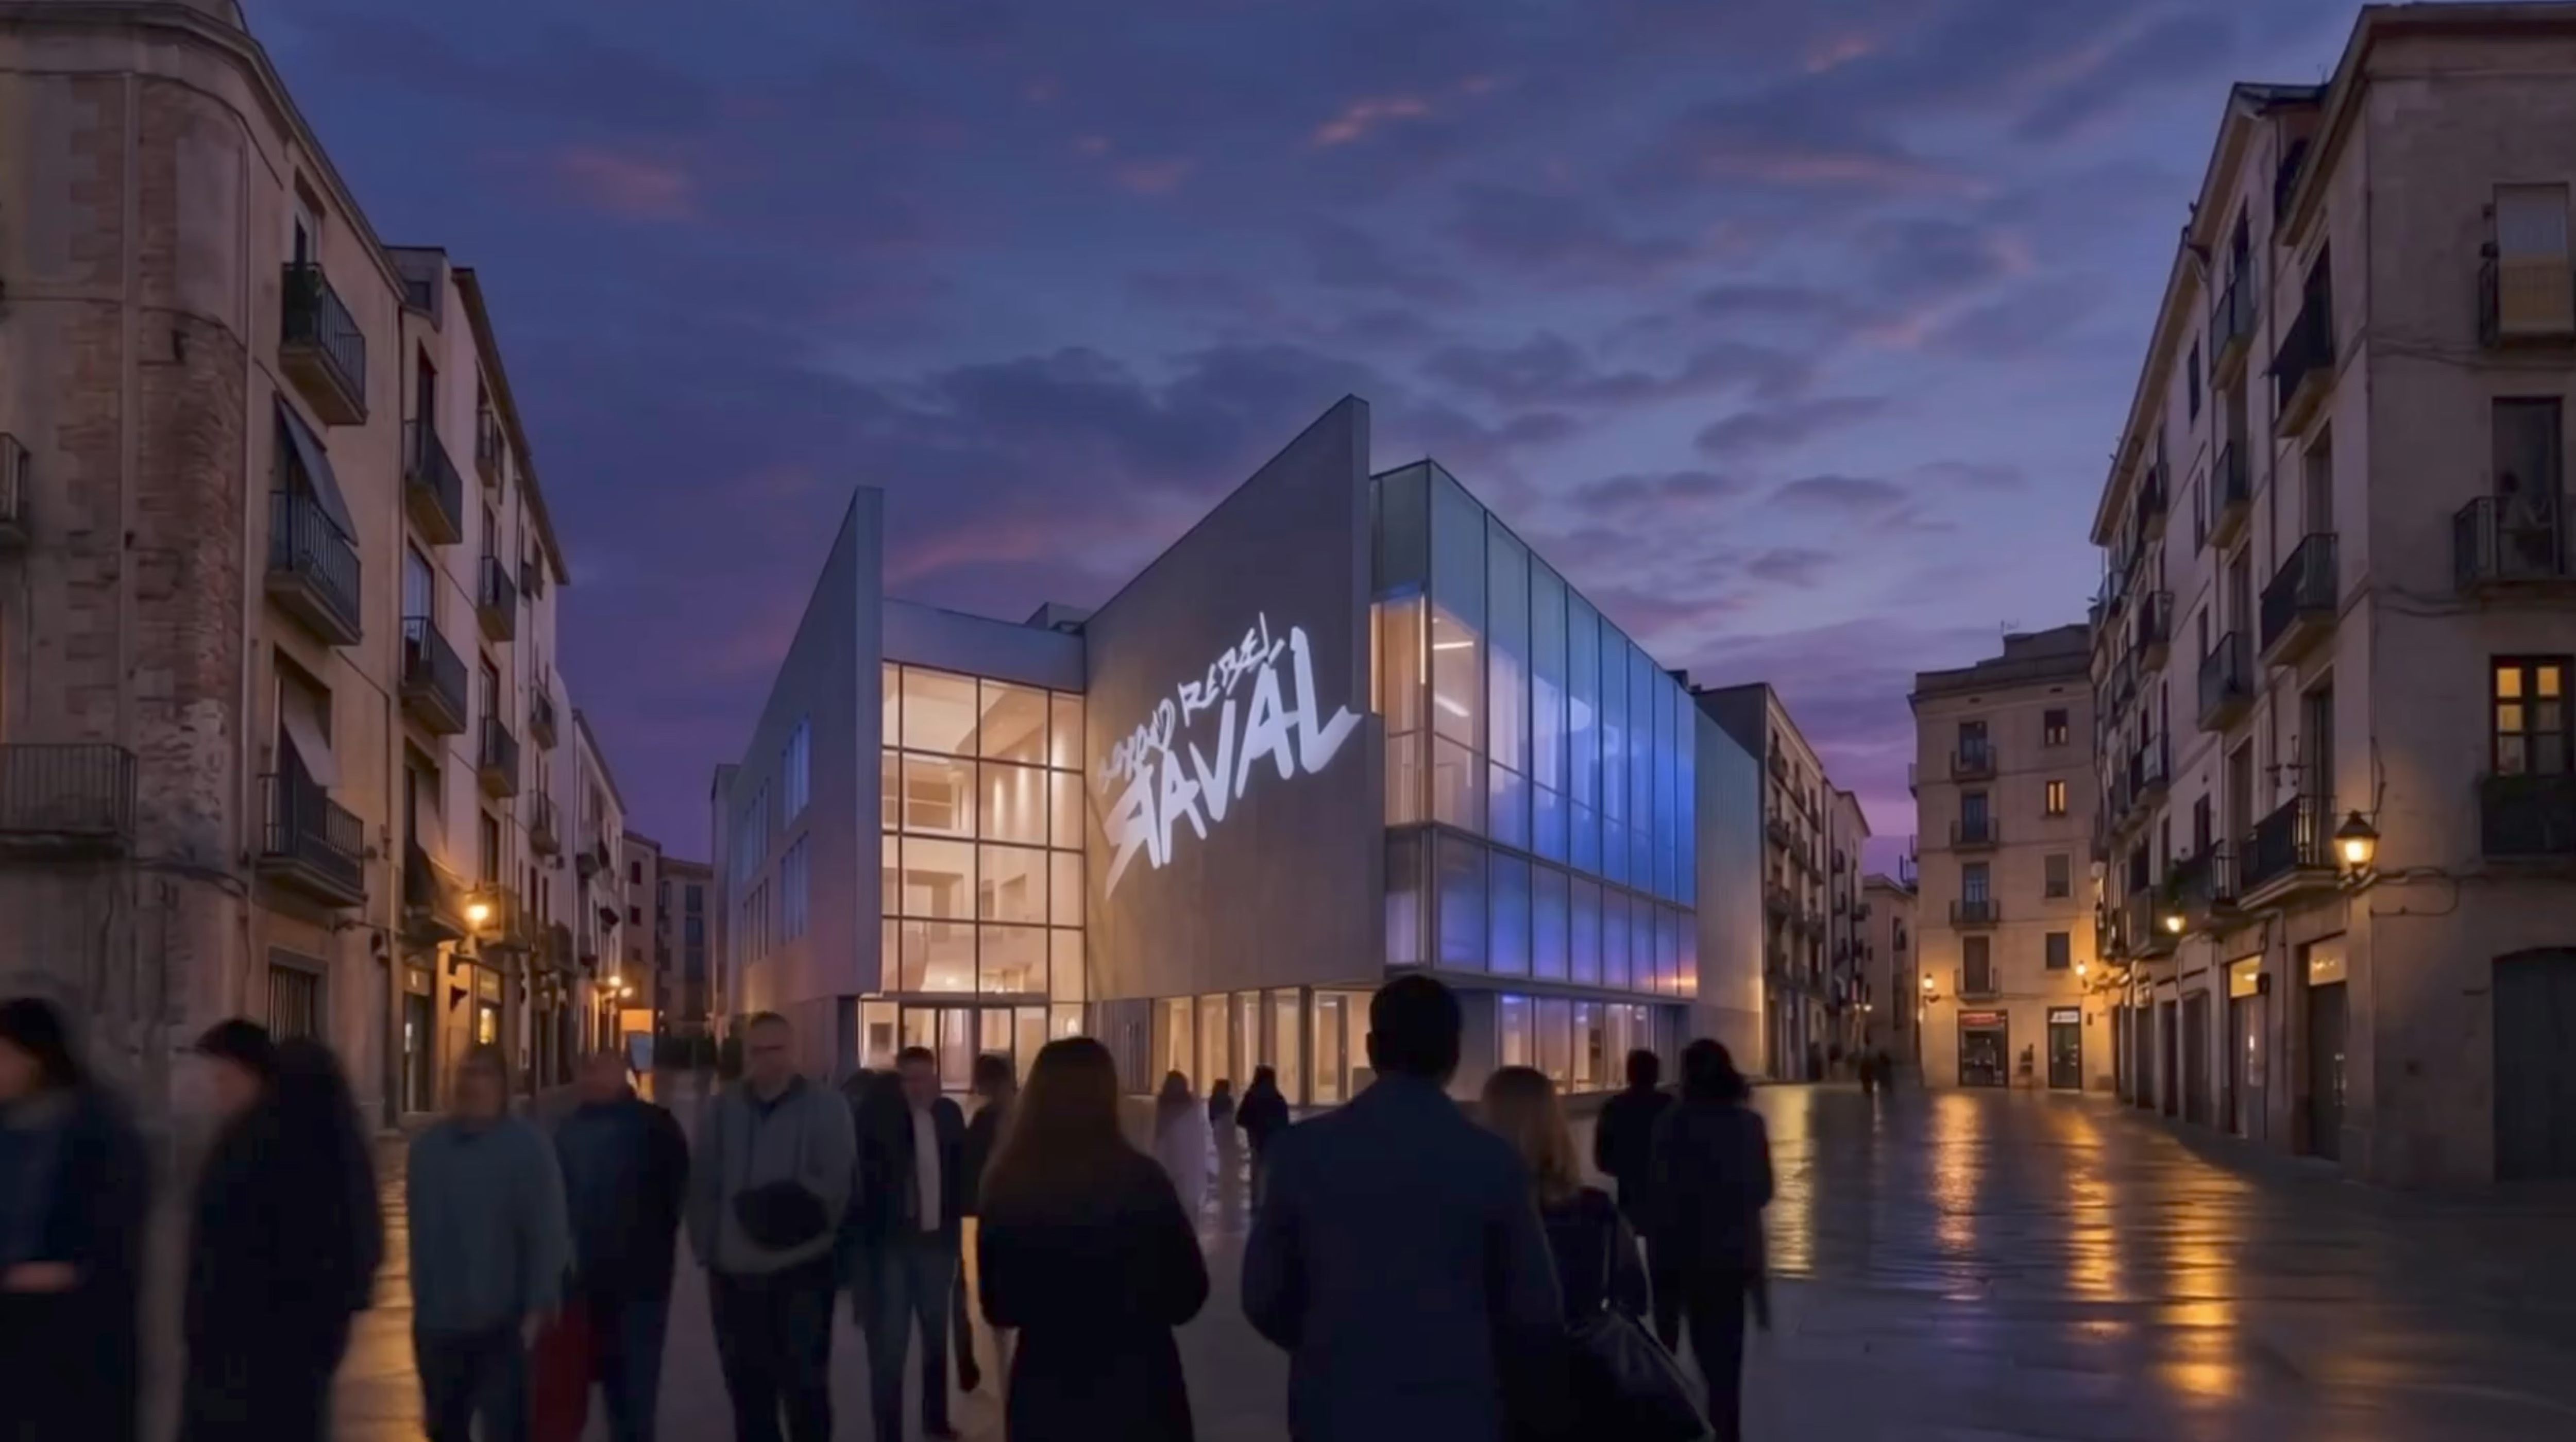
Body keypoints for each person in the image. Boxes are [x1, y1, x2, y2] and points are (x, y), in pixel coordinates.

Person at [1243, 976, 1565, 1442]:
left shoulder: (1299, 1154)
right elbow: (1535, 1310)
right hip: (1459, 1410)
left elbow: (1263, 1295)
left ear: (1372, 1050)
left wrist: (1326, 1343)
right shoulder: (1494, 1163)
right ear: (1454, 1055)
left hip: (1335, 1406)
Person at [978, 1037, 1208, 1442]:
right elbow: (1188, 1293)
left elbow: (1000, 1305)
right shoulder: (1144, 1180)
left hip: (1048, 1393)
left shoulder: (1009, 1185)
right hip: (1140, 1388)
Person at [180, 1027, 382, 1442]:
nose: (217, 1090)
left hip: (254, 1359)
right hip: (286, 1358)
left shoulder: (264, 1148)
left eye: (225, 1077)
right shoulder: (333, 1149)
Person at [687, 1012, 856, 1442]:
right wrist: (707, 1246)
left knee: (805, 1388)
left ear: (793, 1050)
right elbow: (703, 1178)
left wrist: (781, 1218)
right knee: (748, 1393)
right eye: (758, 1051)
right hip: (733, 1275)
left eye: (776, 1049)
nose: (767, 1060)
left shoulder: (826, 1106)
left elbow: (837, 1182)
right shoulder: (723, 1108)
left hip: (803, 1270)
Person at [0, 997, 149, 1442]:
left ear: (35, 1059)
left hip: (75, 1350)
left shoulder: (99, 1128)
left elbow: (115, 1239)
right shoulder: (9, 1126)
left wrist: (51, 1274)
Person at [409, 1044, 570, 1442]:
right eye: (465, 1072)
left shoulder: (528, 1147)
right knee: (445, 1428)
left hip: (503, 1324)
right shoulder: (428, 1150)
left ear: (502, 1085)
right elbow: (421, 1234)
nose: (471, 1082)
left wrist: (538, 1306)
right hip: (438, 1324)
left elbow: (547, 1228)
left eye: (482, 1073)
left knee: (505, 1429)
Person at [555, 1048, 690, 1442]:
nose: (590, 1076)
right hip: (580, 1288)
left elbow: (675, 1194)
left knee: (633, 1400)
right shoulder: (567, 1130)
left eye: (600, 1068)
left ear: (622, 1074)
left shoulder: (655, 1126)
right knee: (570, 1401)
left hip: (639, 1286)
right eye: (586, 1069)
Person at [1647, 1040, 1774, 1442]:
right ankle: (1726, 1430)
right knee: (1725, 1365)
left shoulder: (1671, 1122)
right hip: (1731, 1256)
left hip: (1678, 1252)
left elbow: (1660, 1187)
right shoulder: (1749, 1124)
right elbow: (1762, 1190)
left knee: (1669, 1350)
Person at [1484, 1066, 1647, 1333]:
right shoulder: (1595, 1210)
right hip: (1575, 1362)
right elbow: (1635, 1297)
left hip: (1492, 1366)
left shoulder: (1471, 1213)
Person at [857, 1046, 966, 1441]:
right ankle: (889, 1433)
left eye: (925, 1077)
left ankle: (935, 1421)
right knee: (890, 1349)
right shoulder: (882, 1121)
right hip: (893, 1248)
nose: (918, 1087)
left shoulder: (949, 1116)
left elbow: (960, 1174)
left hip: (938, 1244)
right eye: (909, 1078)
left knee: (937, 1341)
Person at [1588, 1047, 1679, 1347]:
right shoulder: (1670, 1107)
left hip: (1630, 1195)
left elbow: (1602, 1159)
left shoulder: (1614, 1107)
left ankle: (1631, 1329)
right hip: (1666, 1201)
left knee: (1623, 1265)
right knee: (1663, 1270)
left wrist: (1625, 1166)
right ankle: (1668, 1340)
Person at [956, 1051, 1019, 1391]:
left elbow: (970, 1169)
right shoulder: (1029, 1116)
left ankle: (1006, 1377)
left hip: (996, 1219)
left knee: (997, 1303)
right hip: (1029, 1219)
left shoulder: (985, 1120)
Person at [1153, 1069, 1211, 1219]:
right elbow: (1201, 1149)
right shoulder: (1195, 1114)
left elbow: (1159, 1152)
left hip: (1171, 1183)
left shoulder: (1164, 1116)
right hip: (1191, 1185)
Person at [1234, 1064, 1291, 1204]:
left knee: (1257, 1176)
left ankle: (1257, 1205)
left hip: (1256, 1142)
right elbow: (1285, 1122)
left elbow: (1240, 1118)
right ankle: (1270, 1205)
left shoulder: (1252, 1097)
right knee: (1271, 1177)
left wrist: (1252, 1126)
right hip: (1274, 1144)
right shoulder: (1278, 1098)